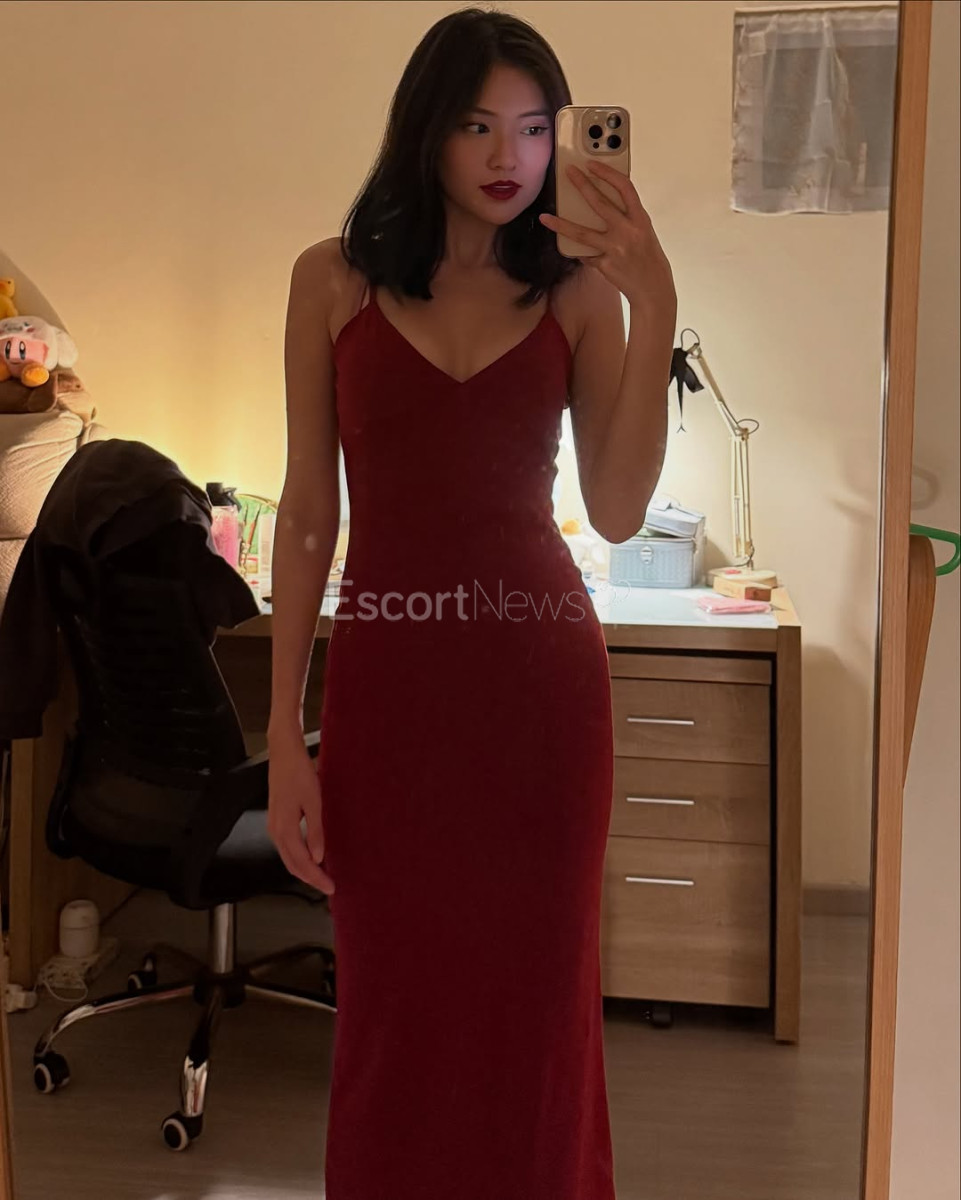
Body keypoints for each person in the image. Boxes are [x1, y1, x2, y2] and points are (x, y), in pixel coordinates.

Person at [266, 8, 675, 1198]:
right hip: (389, 698)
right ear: (427, 131)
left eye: (536, 129)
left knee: (536, 1015)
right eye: (478, 125)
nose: (510, 155)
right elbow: (307, 513)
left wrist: (654, 302)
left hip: (540, 702)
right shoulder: (330, 281)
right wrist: (285, 735)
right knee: (392, 1010)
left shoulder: (582, 297)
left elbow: (615, 510)